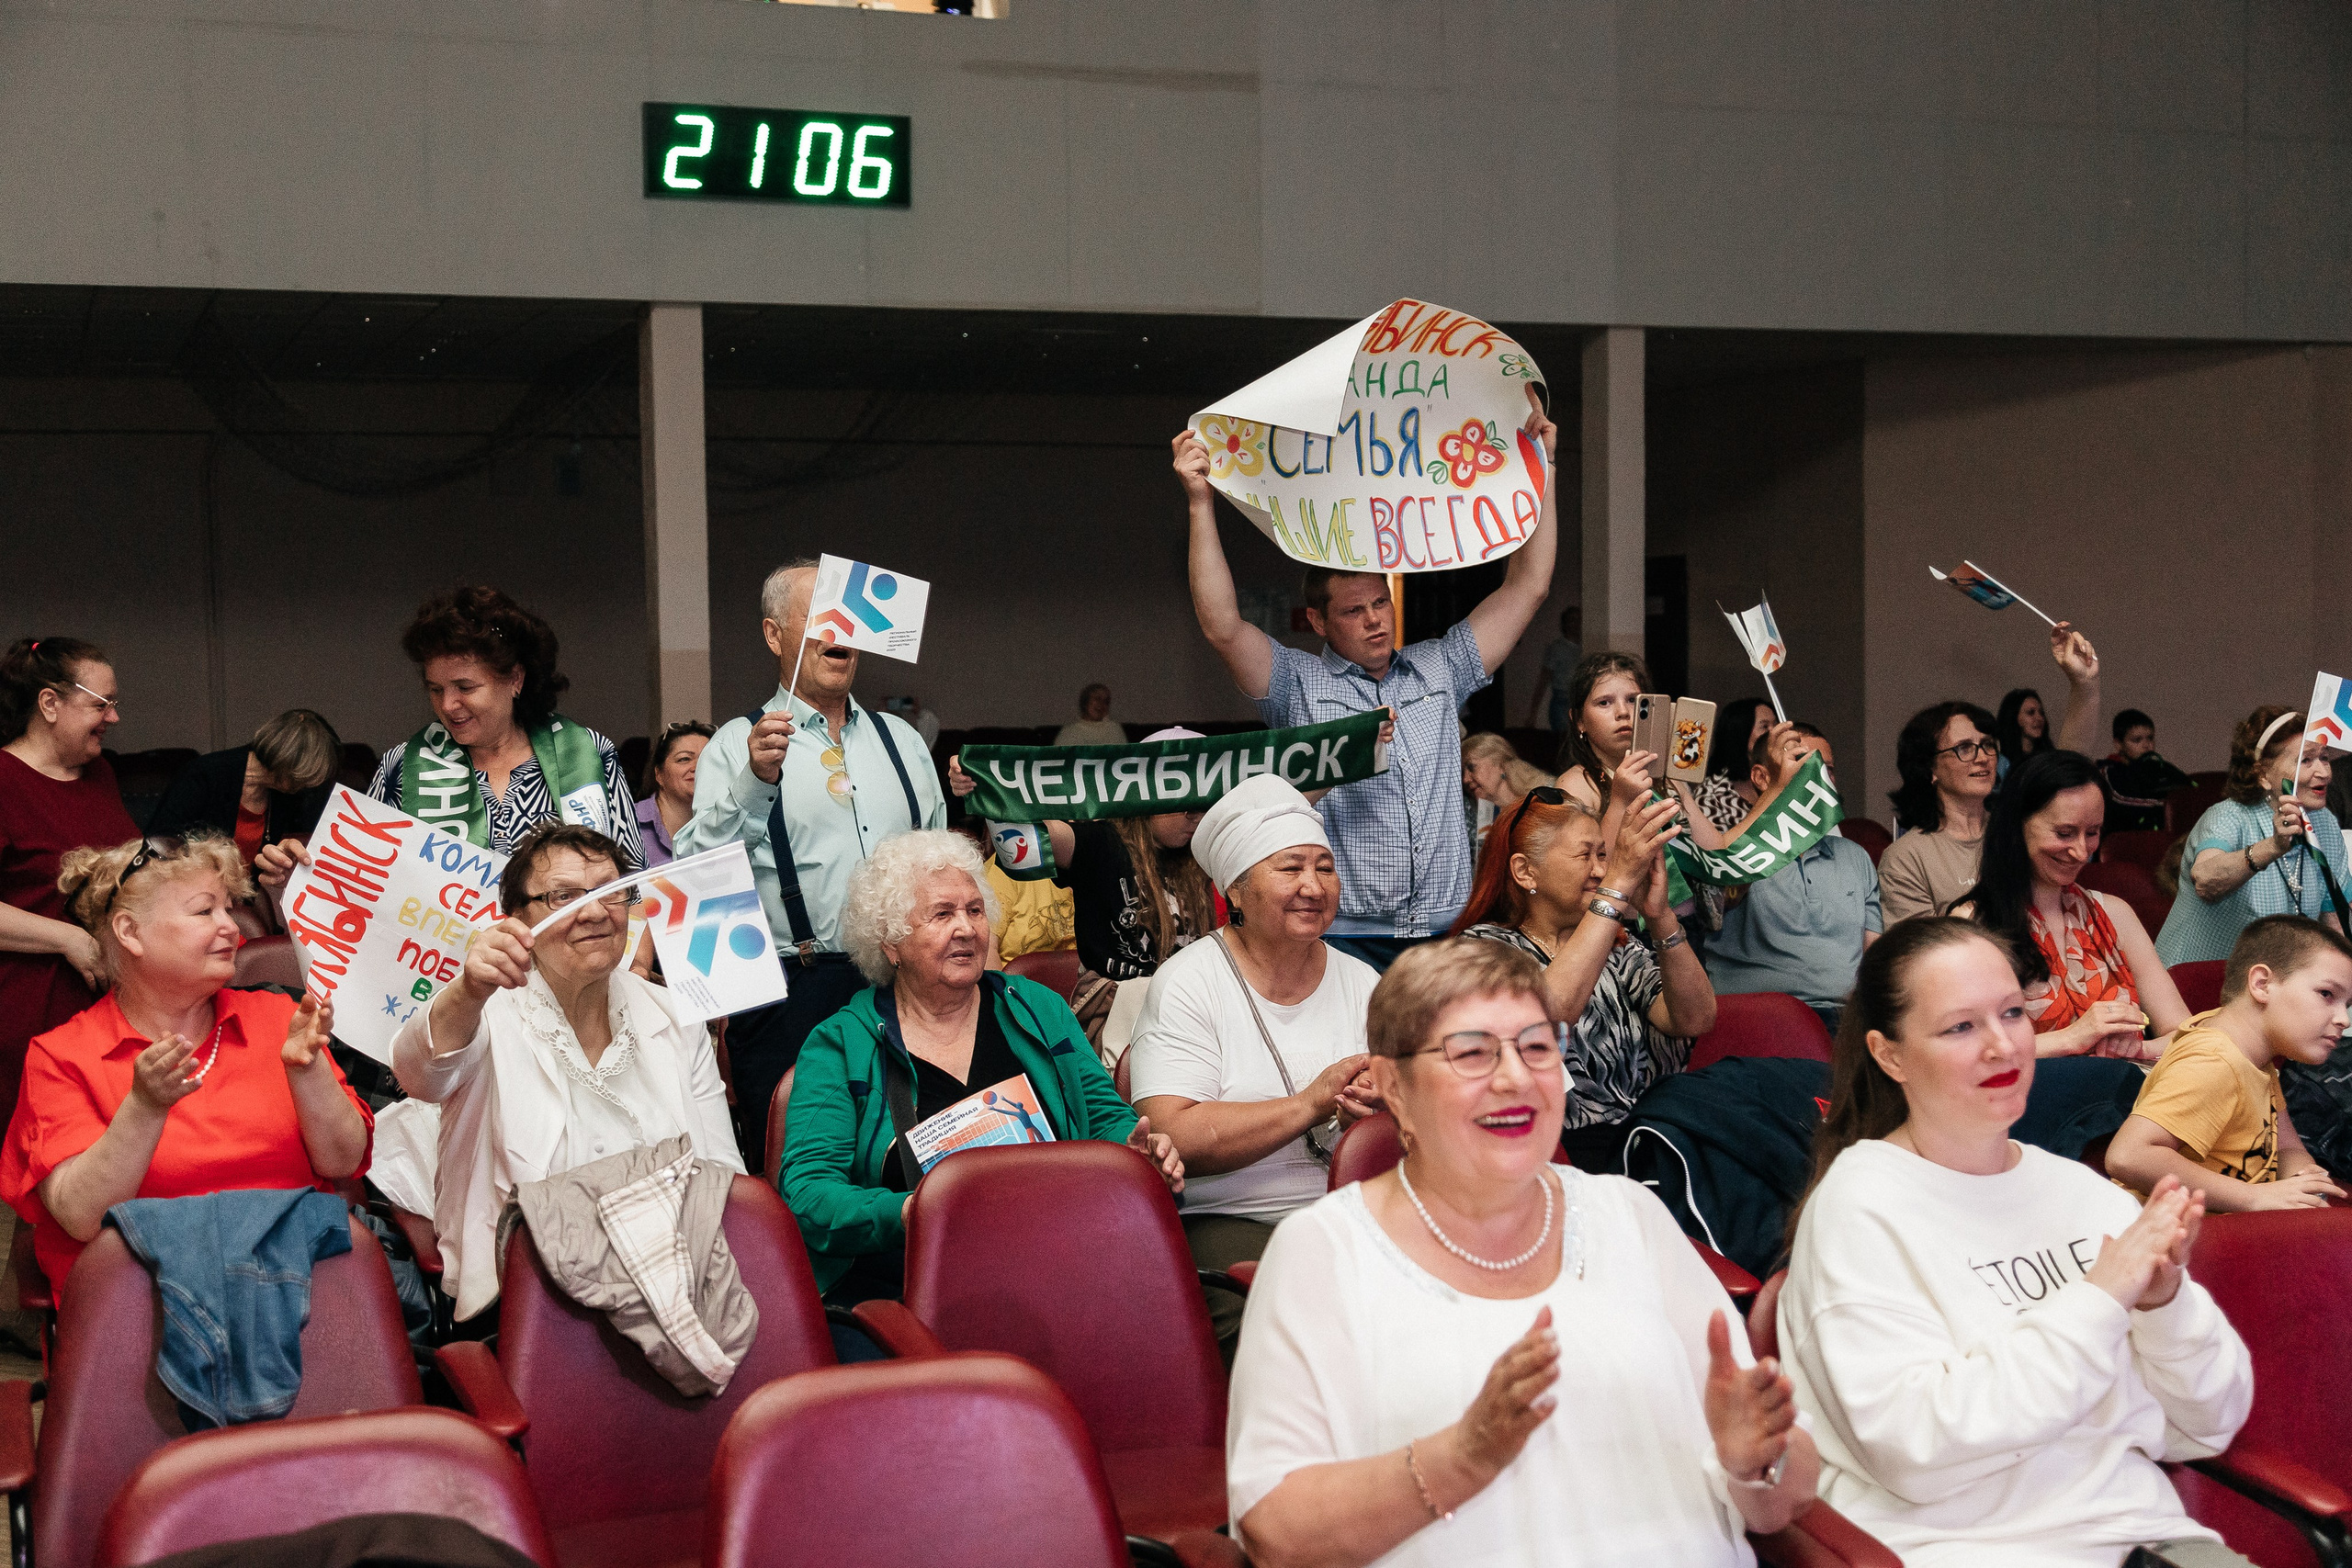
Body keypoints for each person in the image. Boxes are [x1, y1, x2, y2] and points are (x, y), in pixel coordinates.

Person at [1226, 938, 1817, 1568]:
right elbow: (1273, 1531)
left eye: (1537, 1047)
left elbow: (1789, 1488)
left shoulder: (1629, 1214)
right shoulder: (1322, 1252)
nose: (1516, 1077)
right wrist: (1463, 1458)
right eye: (1472, 1053)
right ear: (1394, 1085)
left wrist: (1757, 1461)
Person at [1779, 918, 2255, 1568]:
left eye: (2012, 1013)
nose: (2003, 1045)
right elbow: (1915, 1449)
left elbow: (2208, 1427)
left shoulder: (2084, 1194)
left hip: (2147, 1540)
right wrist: (2099, 1300)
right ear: (1890, 1056)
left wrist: (2164, 1306)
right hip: (1966, 1551)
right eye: (1961, 1027)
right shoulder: (1859, 1207)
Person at [1174, 391, 1560, 971]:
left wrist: (1543, 469)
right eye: (1354, 611)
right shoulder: (1298, 682)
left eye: (1381, 603)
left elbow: (1527, 587)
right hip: (1347, 932)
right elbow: (1223, 627)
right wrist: (1200, 502)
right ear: (1318, 621)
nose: (1375, 620)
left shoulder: (1440, 666)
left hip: (1445, 924)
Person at [779, 830, 1180, 1311]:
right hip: (907, 1286)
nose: (966, 928)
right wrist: (909, 1212)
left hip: (1055, 1259)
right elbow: (809, 1195)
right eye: (942, 914)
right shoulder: (840, 1045)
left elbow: (1102, 1117)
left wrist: (1134, 1152)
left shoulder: (1036, 1008)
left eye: (974, 910)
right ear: (890, 943)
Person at [390, 823, 742, 1323]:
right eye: (564, 896)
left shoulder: (674, 1015)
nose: (595, 912)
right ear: (518, 921)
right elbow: (419, 1075)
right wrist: (468, 990)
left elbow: (724, 1174)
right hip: (526, 1303)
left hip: (675, 1286)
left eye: (610, 891)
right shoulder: (484, 1013)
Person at [0, 835, 374, 1297]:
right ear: (130, 932)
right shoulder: (63, 1056)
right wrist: (144, 1107)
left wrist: (307, 1072)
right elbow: (81, 1216)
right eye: (204, 911)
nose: (232, 928)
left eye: (229, 909)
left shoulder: (281, 1020)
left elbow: (343, 1161)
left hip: (301, 1285)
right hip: (146, 1302)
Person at [679, 558, 946, 1155]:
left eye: (851, 619)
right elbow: (699, 875)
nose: (840, 631)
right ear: (775, 635)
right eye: (823, 617)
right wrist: (754, 780)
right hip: (792, 995)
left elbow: (940, 867)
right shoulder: (734, 743)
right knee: (801, 1169)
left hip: (908, 987)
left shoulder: (903, 742)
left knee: (914, 1161)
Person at [1129, 775, 1384, 1354]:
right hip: (1226, 1217)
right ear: (1236, 892)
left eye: (1325, 868)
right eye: (1291, 868)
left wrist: (1368, 1117)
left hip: (1351, 1211)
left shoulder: (1362, 982)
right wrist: (1312, 1103)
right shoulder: (1191, 983)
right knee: (1299, 1325)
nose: (1313, 886)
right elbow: (1174, 1133)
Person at [259, 587, 640, 897]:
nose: (447, 705)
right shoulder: (401, 767)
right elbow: (364, 888)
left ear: (515, 679)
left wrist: (636, 961)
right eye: (435, 689)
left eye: (465, 687)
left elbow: (633, 885)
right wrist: (302, 875)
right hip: (441, 963)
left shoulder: (587, 753)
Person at [1453, 789, 1713, 1166]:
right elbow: (1545, 1018)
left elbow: (1695, 1018)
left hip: (1647, 1140)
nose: (1600, 871)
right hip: (1547, 1153)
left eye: (1603, 855)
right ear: (1525, 871)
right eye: (1584, 855)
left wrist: (1660, 917)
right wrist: (1616, 889)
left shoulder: (1618, 946)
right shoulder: (1481, 950)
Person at [948, 728, 1224, 1042]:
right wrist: (984, 782)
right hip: (1118, 1011)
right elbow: (1027, 839)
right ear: (1147, 795)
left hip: (1194, 1006)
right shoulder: (1102, 843)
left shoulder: (1204, 854)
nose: (1196, 817)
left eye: (1206, 805)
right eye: (1187, 805)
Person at [2105, 915, 2350, 1213]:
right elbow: (2128, 1155)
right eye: (2327, 994)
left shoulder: (2255, 1056)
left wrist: (2306, 1186)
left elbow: (2287, 1148)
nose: (2344, 1019)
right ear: (2262, 984)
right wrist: (2254, 1198)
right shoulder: (2216, 1060)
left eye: (2347, 1005)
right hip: (2178, 1232)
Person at [1956, 750, 2188, 1061]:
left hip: (2123, 1085)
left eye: (2092, 833)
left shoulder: (2115, 914)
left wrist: (2136, 1049)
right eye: (2064, 833)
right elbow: (1969, 1050)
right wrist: (2072, 1039)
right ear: (2017, 825)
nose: (2081, 852)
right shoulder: (1973, 924)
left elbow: (2183, 1034)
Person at [0, 638, 138, 1143]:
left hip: (107, 1004)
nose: (113, 718)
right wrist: (68, 939)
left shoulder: (99, 773)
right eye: (101, 704)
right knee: (46, 1162)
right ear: (50, 704)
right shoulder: (4, 780)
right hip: (29, 1012)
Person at [1879, 622, 2102, 923]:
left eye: (1987, 745)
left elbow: (2068, 767)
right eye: (1965, 748)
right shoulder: (1907, 857)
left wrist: (2085, 685)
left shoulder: (2017, 827)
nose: (1983, 758)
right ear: (1930, 769)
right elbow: (1916, 948)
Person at [1703, 725, 1883, 1035]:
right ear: (1762, 778)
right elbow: (1721, 886)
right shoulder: (1733, 849)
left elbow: (1875, 962)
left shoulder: (1855, 857)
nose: (1821, 777)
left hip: (1846, 1023)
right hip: (1757, 1022)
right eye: (1803, 764)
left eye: (1828, 769)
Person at [2157, 703, 2348, 965]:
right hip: (2195, 977)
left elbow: (2336, 924)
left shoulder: (2324, 823)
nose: (2324, 772)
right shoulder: (2228, 816)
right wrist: (2273, 847)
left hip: (2267, 980)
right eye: (2306, 760)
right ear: (2263, 775)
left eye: (2324, 758)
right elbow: (2205, 881)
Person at [147, 709, 343, 868]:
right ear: (289, 759)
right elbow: (159, 845)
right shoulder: (205, 774)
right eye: (307, 775)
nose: (309, 784)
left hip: (252, 899)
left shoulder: (290, 797)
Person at [2099, 709, 2193, 838]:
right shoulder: (2108, 771)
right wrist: (2169, 805)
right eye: (2137, 740)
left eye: (2150, 738)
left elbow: (2189, 790)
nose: (2146, 745)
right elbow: (2123, 801)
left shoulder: (2161, 767)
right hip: (2124, 839)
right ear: (2118, 744)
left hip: (2162, 837)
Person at [633, 720, 712, 869]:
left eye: (708, 759)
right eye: (684, 759)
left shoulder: (728, 823)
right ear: (659, 774)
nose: (698, 767)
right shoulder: (625, 822)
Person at [1463, 733, 1551, 829]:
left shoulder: (1545, 797)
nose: (1465, 779)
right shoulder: (1473, 815)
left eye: (1471, 767)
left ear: (1500, 764)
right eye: (1462, 772)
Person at [1521, 604, 1583, 732]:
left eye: (1579, 620)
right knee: (1562, 738)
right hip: (1562, 701)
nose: (1576, 624)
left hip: (1580, 700)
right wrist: (1533, 713)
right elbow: (1544, 679)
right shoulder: (1557, 648)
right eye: (1572, 620)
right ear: (1565, 624)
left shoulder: (1586, 646)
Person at [1996, 685, 2051, 778]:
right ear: (2014, 717)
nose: (2039, 718)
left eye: (2041, 713)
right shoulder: (2001, 763)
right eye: (2031, 712)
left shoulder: (2049, 758)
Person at [1054, 683, 1126, 748]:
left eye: (1106, 702)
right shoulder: (1069, 732)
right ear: (1085, 702)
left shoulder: (1114, 730)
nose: (1102, 704)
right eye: (1098, 698)